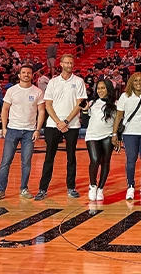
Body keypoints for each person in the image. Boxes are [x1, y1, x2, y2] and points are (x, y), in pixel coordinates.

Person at [35, 55, 87, 201]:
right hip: (53, 125)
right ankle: (42, 189)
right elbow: (48, 104)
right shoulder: (53, 82)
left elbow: (80, 104)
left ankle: (71, 187)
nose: (69, 65)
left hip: (72, 125)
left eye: (71, 62)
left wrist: (66, 121)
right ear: (61, 64)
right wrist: (58, 122)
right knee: (49, 158)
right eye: (67, 62)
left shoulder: (79, 81)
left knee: (71, 158)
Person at [0, 66, 45, 202]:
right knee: (5, 162)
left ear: (33, 76)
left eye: (29, 73)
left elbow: (42, 111)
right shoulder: (11, 91)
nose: (26, 75)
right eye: (24, 73)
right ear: (19, 75)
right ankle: (0, 190)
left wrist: (37, 129)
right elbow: (5, 109)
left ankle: (24, 188)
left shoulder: (37, 92)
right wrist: (3, 127)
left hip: (29, 131)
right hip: (12, 129)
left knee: (26, 162)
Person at [112, 72, 141, 201]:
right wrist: (115, 133)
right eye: (136, 81)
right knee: (131, 160)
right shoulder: (125, 96)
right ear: (131, 82)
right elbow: (119, 116)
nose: (138, 83)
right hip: (129, 133)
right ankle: (131, 187)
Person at [85, 79, 117, 201]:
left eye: (103, 88)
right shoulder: (92, 103)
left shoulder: (116, 103)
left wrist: (117, 136)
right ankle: (92, 185)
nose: (100, 91)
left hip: (108, 135)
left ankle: (101, 188)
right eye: (98, 88)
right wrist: (84, 109)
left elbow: (118, 122)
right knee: (95, 160)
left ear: (109, 89)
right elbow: (86, 118)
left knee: (105, 161)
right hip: (92, 135)